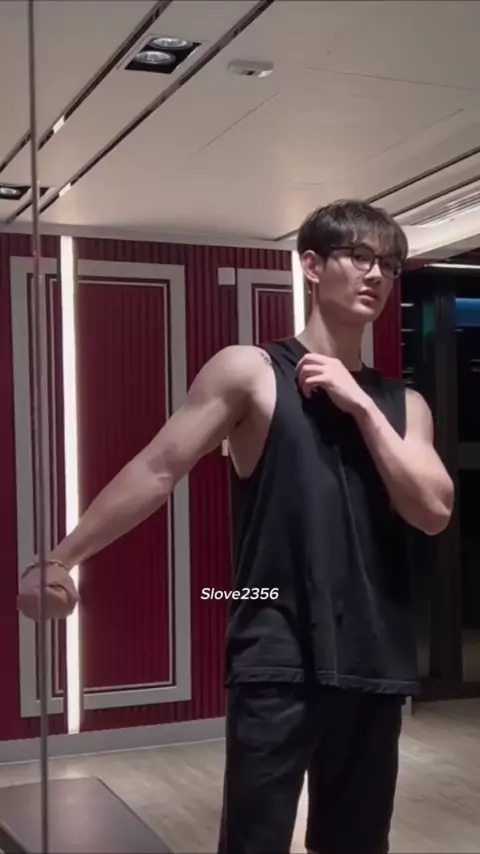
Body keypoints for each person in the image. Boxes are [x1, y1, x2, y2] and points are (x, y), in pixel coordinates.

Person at [18, 200, 454, 854]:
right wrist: (59, 558)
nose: (377, 275)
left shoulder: (403, 404)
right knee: (255, 841)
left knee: (358, 843)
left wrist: (361, 405)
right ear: (312, 266)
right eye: (360, 256)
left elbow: (433, 511)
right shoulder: (251, 370)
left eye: (389, 265)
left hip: (374, 654)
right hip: (276, 650)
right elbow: (157, 468)